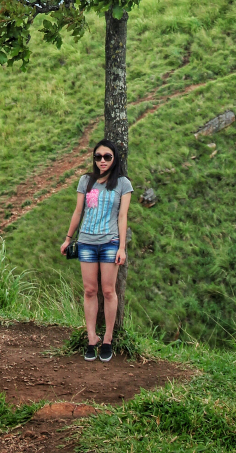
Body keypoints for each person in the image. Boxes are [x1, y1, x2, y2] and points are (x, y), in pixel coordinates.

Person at [60, 139, 133, 362]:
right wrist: (68, 238)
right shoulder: (86, 181)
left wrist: (121, 247)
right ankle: (92, 338)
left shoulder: (122, 184)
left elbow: (123, 216)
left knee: (109, 291)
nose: (102, 161)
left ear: (115, 158)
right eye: (98, 157)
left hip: (110, 242)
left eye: (107, 157)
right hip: (87, 242)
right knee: (90, 290)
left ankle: (108, 339)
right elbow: (78, 211)